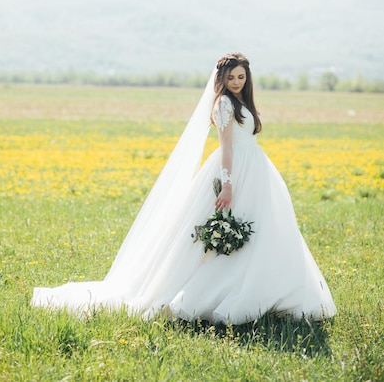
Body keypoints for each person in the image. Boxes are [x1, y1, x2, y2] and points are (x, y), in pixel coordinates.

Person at [32, 52, 336, 323]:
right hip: (234, 171)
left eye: (241, 77)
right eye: (231, 77)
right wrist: (227, 186)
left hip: (256, 171)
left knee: (267, 230)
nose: (236, 81)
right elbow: (226, 147)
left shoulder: (242, 101)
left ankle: (268, 289)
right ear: (221, 78)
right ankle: (217, 292)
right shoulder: (224, 104)